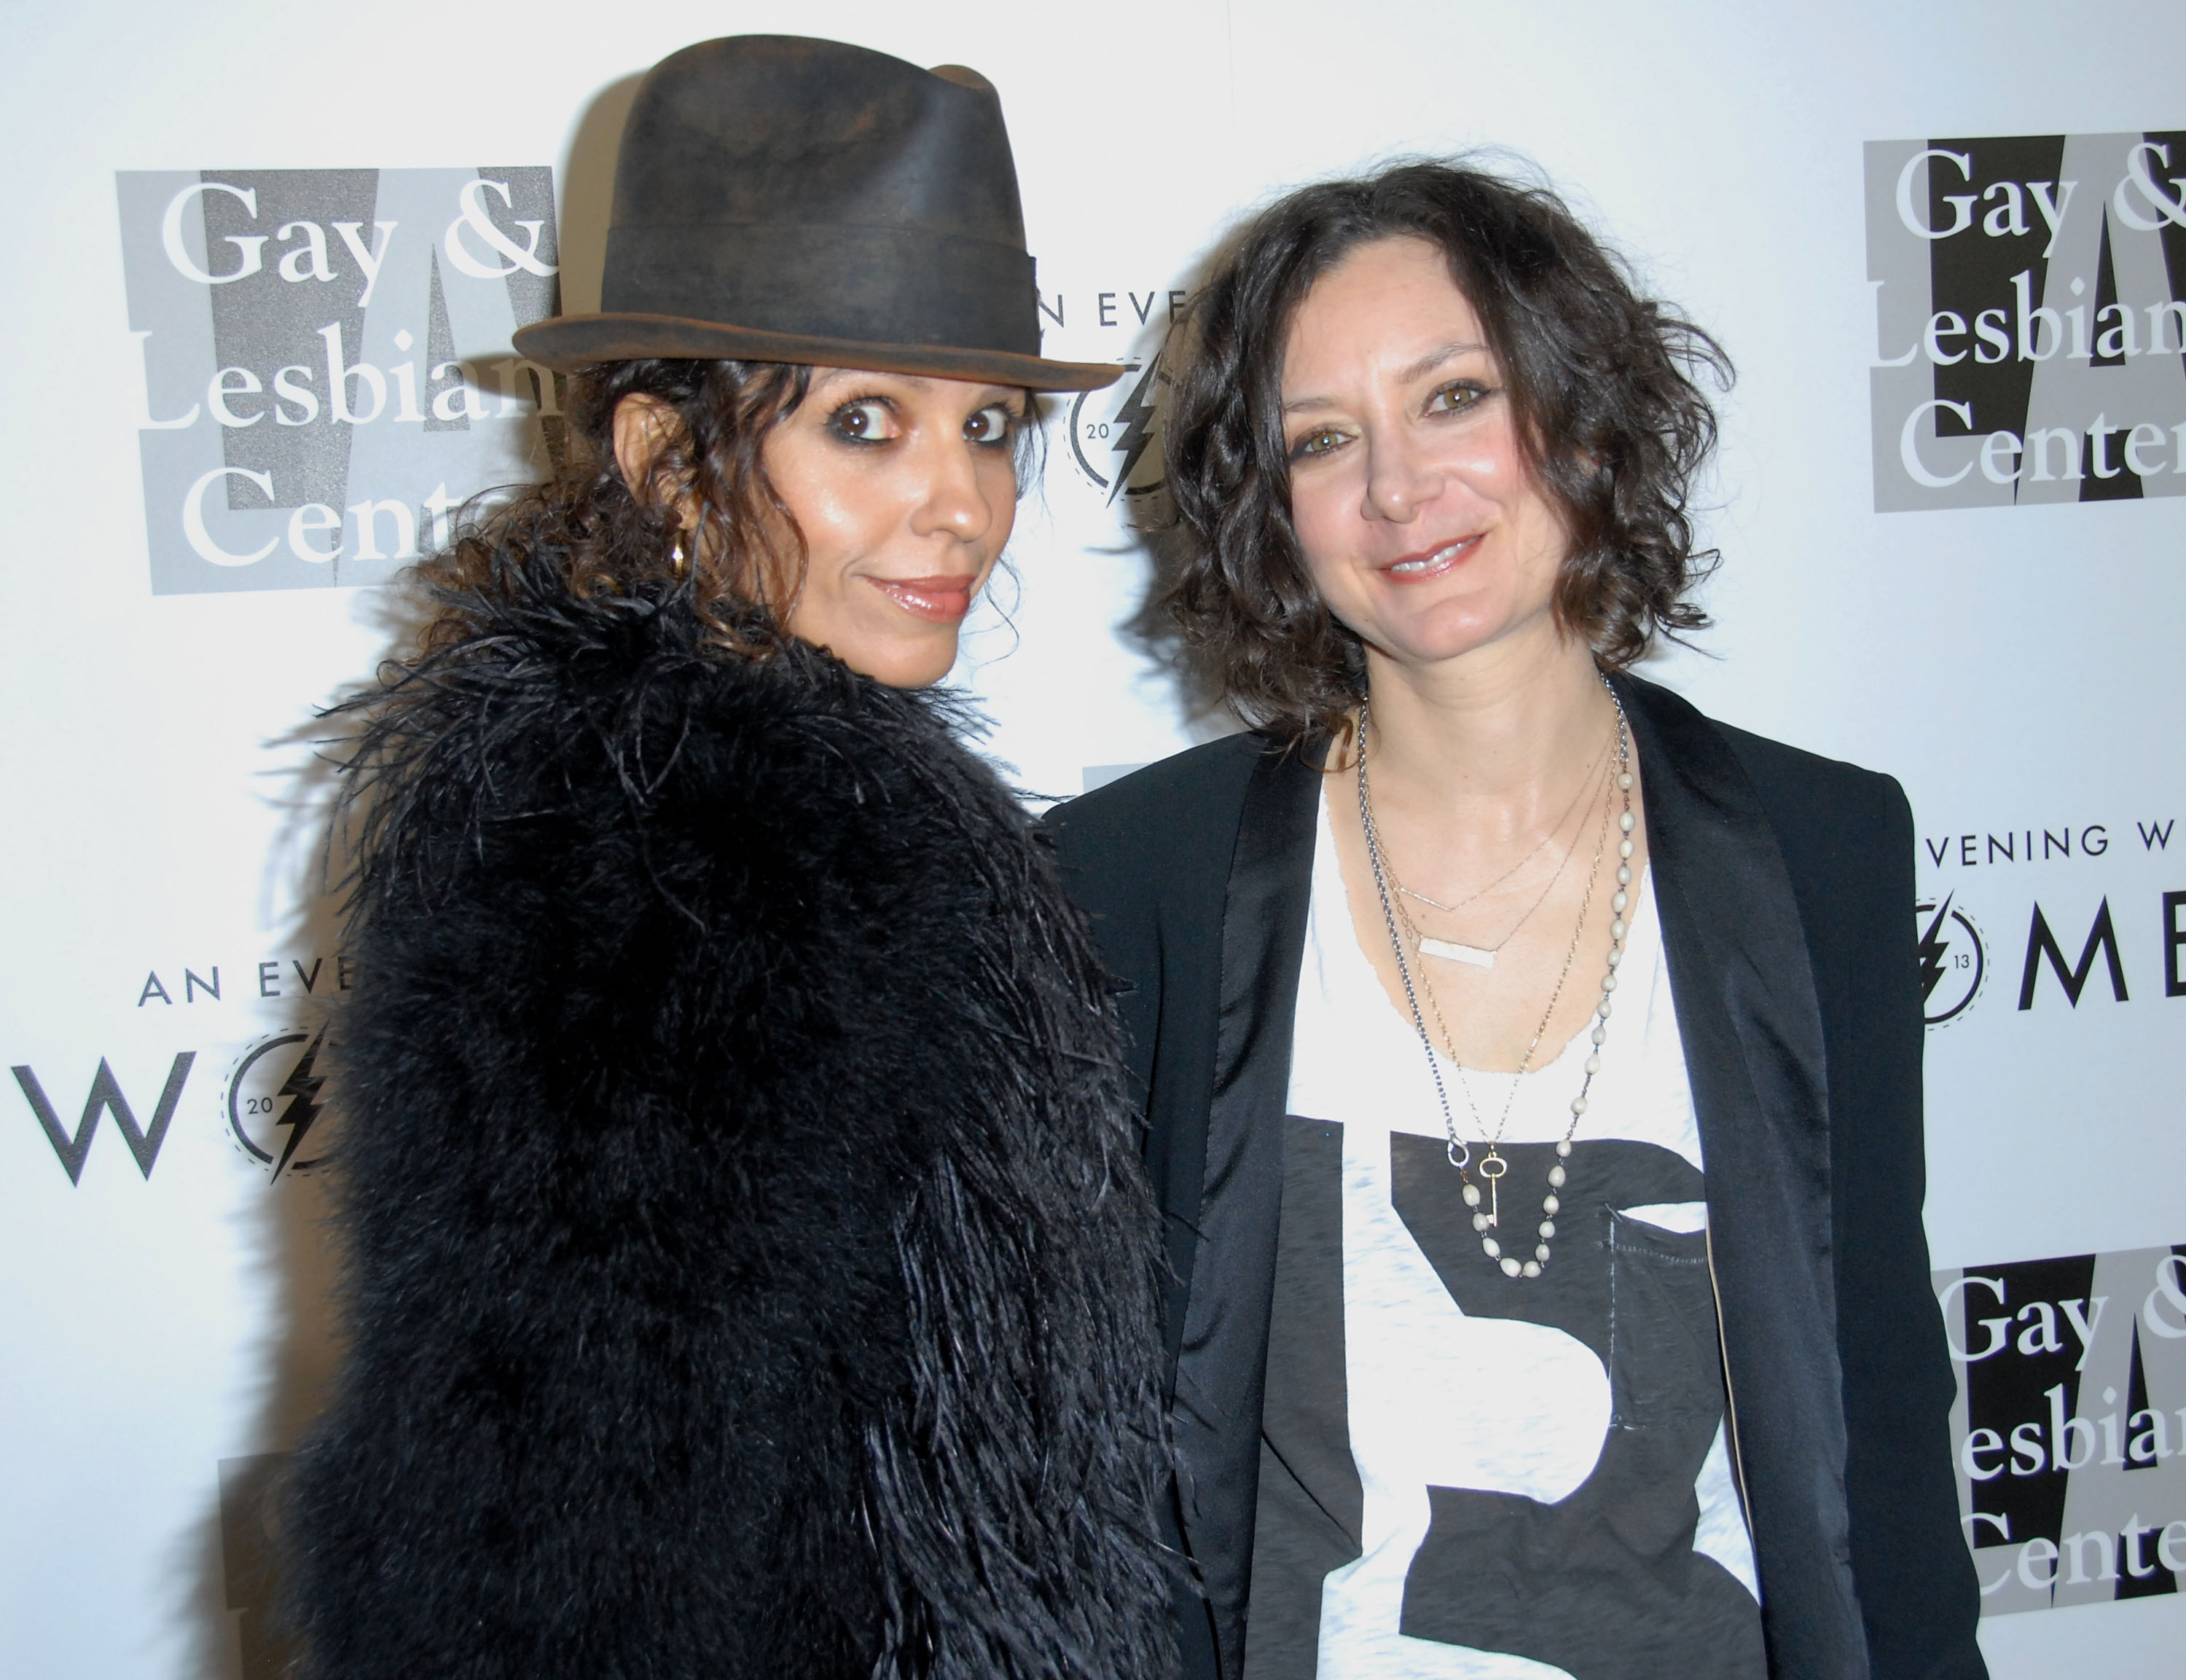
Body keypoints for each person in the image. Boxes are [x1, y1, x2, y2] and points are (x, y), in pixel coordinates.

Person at [281, 36, 1174, 1680]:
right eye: (865, 425)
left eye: (986, 423)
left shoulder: (756, 784)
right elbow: (568, 1521)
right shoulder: (670, 847)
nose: (962, 501)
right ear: (667, 461)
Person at [1043, 162, 1984, 1680]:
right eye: (1324, 440)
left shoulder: (1825, 848)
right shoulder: (1129, 876)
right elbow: (1090, 1470)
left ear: (1582, 413)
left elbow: (1876, 1403)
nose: (1399, 489)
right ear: (1271, 512)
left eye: (1455, 397)